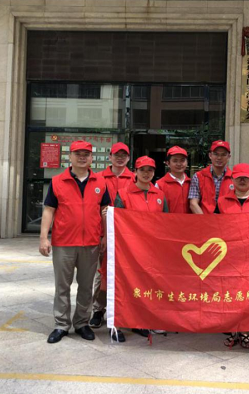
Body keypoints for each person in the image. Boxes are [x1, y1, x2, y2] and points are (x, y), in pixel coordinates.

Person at [39, 140, 110, 344]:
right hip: (64, 242)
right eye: (77, 154)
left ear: (91, 158)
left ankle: (81, 323)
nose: (82, 157)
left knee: (86, 286)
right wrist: (43, 238)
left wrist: (105, 236)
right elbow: (49, 210)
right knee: (62, 286)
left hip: (91, 243)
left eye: (86, 154)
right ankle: (61, 324)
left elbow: (105, 211)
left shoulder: (100, 182)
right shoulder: (57, 181)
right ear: (70, 157)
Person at [216, 163, 249, 349]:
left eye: (246, 177)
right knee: (230, 294)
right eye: (239, 177)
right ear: (232, 179)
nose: (242, 180)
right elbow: (214, 226)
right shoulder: (222, 201)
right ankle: (232, 330)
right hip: (229, 256)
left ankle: (246, 331)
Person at [115, 155, 168, 338]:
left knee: (149, 285)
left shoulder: (160, 195)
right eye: (142, 170)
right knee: (129, 284)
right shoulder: (123, 194)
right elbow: (117, 221)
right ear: (135, 172)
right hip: (130, 249)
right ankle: (124, 322)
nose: (146, 174)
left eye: (150, 170)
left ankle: (146, 320)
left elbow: (166, 223)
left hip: (153, 250)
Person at [89, 142, 134, 331]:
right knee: (103, 273)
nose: (120, 158)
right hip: (104, 234)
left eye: (124, 155)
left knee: (129, 274)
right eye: (117, 155)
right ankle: (98, 309)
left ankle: (127, 310)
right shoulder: (98, 178)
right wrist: (101, 235)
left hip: (128, 237)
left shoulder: (135, 178)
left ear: (128, 158)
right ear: (110, 157)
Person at [189, 140, 233, 214]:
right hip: (204, 217)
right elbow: (193, 203)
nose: (219, 158)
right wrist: (205, 220)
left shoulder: (234, 178)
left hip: (227, 219)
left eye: (223, 155)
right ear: (210, 155)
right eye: (216, 154)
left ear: (229, 157)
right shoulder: (198, 176)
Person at [155, 146, 191, 213]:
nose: (179, 164)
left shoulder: (191, 183)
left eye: (182, 160)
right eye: (175, 161)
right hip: (168, 219)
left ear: (187, 162)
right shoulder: (160, 184)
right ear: (168, 163)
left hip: (190, 220)